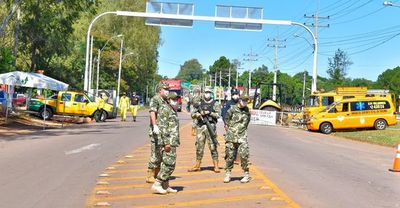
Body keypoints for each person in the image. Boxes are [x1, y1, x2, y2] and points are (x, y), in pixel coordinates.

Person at [151, 92, 180, 194]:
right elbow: (163, 128)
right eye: (173, 99)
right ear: (168, 100)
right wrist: (166, 143)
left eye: (176, 99)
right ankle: (157, 183)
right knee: (169, 164)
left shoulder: (172, 110)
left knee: (166, 163)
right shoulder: (165, 110)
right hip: (168, 142)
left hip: (172, 141)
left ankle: (166, 185)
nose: (176, 101)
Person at [188, 89, 221, 173]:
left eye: (209, 93)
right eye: (206, 93)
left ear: (211, 94)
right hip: (200, 126)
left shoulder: (215, 103)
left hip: (211, 126)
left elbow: (218, 115)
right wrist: (198, 115)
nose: (207, 94)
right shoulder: (199, 103)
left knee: (213, 146)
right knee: (199, 147)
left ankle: (216, 165)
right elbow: (192, 114)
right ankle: (197, 165)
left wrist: (209, 113)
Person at [223, 95, 251, 183]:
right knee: (230, 156)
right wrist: (230, 129)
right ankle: (228, 174)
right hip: (231, 136)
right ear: (239, 100)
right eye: (243, 100)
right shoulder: (232, 109)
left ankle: (246, 174)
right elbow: (226, 119)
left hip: (242, 136)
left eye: (246, 101)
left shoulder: (247, 111)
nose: (245, 102)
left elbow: (247, 122)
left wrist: (241, 130)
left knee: (244, 155)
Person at [146, 83, 170, 183]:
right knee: (155, 153)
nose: (167, 91)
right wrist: (154, 125)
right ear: (160, 90)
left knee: (160, 153)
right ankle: (150, 175)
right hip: (156, 131)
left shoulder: (165, 100)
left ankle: (157, 173)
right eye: (165, 89)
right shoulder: (155, 99)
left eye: (168, 89)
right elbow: (152, 112)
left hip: (164, 131)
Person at [221, 88, 241, 164]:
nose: (236, 96)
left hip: (238, 126)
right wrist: (226, 124)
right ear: (232, 95)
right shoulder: (228, 104)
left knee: (239, 142)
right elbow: (224, 114)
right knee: (230, 142)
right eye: (234, 94)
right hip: (230, 126)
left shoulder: (240, 103)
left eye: (237, 94)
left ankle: (237, 158)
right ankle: (229, 157)